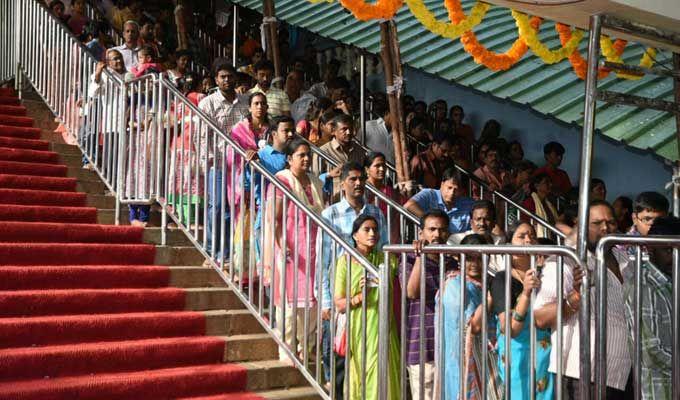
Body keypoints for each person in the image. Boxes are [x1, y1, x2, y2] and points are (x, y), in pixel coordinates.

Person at [535, 201, 632, 398]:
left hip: (622, 372)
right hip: (582, 374)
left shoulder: (626, 260)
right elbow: (540, 318)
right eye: (597, 223)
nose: (605, 228)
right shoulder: (565, 261)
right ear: (580, 225)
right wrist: (575, 297)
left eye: (611, 222)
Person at [319, 162, 388, 395]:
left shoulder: (376, 212)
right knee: (341, 354)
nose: (358, 183)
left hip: (373, 295)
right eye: (352, 179)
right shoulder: (330, 214)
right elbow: (324, 259)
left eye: (361, 179)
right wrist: (326, 300)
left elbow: (384, 251)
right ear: (343, 182)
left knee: (371, 357)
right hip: (343, 292)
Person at [266, 138, 323, 362]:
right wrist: (282, 247)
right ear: (289, 159)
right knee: (289, 303)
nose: (307, 159)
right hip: (290, 248)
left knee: (313, 301)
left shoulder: (315, 182)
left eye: (308, 154)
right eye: (301, 155)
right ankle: (286, 347)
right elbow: (276, 218)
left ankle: (306, 346)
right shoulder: (283, 180)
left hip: (313, 247)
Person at [333, 214, 401, 400]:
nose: (372, 233)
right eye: (366, 229)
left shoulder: (386, 258)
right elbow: (339, 304)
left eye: (375, 229)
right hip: (360, 326)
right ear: (355, 235)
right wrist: (358, 298)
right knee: (366, 370)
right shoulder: (346, 262)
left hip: (386, 325)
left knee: (387, 370)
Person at [490, 222, 554, 400]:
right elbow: (509, 329)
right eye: (522, 236)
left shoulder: (547, 275)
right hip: (517, 355)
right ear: (509, 245)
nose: (528, 240)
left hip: (545, 354)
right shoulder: (502, 279)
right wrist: (526, 292)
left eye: (532, 236)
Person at [436, 234, 500, 400]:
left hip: (489, 357)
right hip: (460, 359)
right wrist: (490, 299)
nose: (475, 264)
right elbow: (473, 325)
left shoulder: (490, 282)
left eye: (480, 259)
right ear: (459, 258)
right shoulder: (455, 284)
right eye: (470, 259)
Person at [622, 216, 679, 400]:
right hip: (657, 391)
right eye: (668, 251)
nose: (674, 257)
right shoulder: (642, 285)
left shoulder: (670, 282)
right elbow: (650, 351)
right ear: (651, 248)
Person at [402, 210, 458, 400]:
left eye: (442, 230)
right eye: (432, 229)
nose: (437, 235)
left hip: (450, 348)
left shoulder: (454, 262)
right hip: (422, 347)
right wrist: (420, 256)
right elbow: (412, 292)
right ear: (421, 233)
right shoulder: (408, 259)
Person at [198, 62, 249, 259]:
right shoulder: (208, 103)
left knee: (237, 209)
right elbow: (202, 135)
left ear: (235, 77)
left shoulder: (245, 102)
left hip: (242, 164)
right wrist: (207, 161)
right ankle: (213, 249)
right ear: (216, 79)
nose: (227, 80)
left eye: (230, 76)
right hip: (219, 163)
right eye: (222, 77)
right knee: (218, 206)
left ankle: (230, 252)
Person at [405, 168, 475, 234]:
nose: (452, 192)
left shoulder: (469, 204)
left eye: (456, 190)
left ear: (462, 191)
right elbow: (409, 205)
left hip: (456, 244)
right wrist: (429, 220)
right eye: (449, 187)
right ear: (442, 185)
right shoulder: (429, 194)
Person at [315, 114, 367, 202]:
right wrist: (329, 175)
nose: (348, 132)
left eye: (350, 129)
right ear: (334, 131)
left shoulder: (359, 151)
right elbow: (315, 178)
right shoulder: (323, 152)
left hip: (356, 200)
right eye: (344, 129)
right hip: (332, 201)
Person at [364, 152, 402, 242]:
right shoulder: (363, 189)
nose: (382, 169)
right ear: (367, 170)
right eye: (377, 166)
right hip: (369, 237)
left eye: (383, 166)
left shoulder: (390, 191)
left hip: (388, 238)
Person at [521, 173, 559, 238]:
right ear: (536, 186)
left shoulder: (548, 203)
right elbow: (525, 222)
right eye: (546, 182)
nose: (550, 185)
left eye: (550, 182)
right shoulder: (529, 202)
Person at [364, 95, 395, 166]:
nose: (399, 119)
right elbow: (358, 148)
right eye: (396, 115)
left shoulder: (399, 134)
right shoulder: (369, 126)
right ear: (387, 113)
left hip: (391, 174)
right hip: (371, 170)